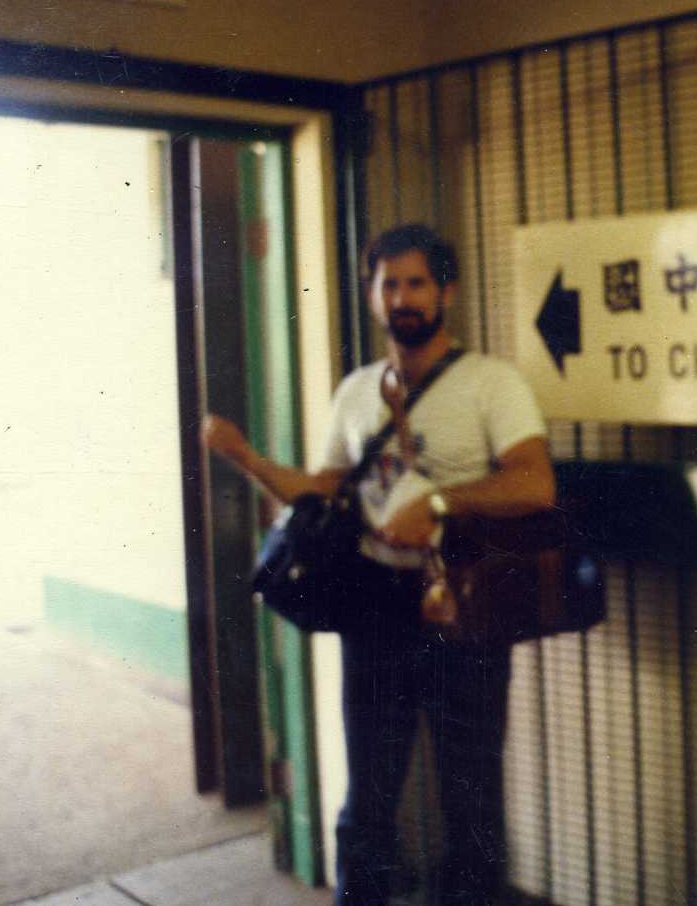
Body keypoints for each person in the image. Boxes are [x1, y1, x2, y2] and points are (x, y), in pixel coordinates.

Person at [202, 223, 554, 906]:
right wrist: (246, 459)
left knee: (471, 798)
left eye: (416, 283)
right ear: (371, 296)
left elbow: (534, 482)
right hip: (375, 605)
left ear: (446, 291)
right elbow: (324, 489)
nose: (402, 298)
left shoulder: (492, 382)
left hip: (463, 608)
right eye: (389, 285)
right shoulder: (357, 391)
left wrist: (441, 503)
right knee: (369, 793)